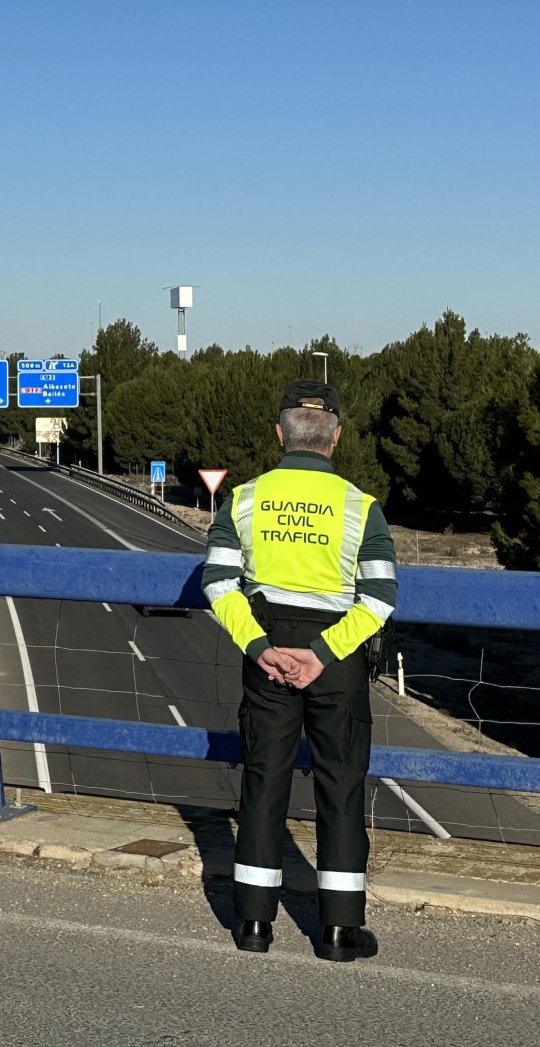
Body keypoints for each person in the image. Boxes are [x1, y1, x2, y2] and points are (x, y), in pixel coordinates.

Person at [201, 380, 396, 962]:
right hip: (335, 660)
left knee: (264, 781)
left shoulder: (243, 500)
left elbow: (218, 583)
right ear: (336, 437)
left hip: (267, 654)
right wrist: (325, 654)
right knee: (341, 786)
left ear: (279, 434)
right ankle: (338, 930)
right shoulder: (361, 507)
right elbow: (380, 597)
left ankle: (253, 924)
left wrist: (261, 647)